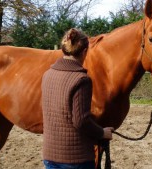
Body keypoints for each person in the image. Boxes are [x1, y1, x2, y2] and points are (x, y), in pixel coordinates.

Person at [41, 28, 113, 169]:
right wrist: (102, 133)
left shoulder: (47, 74)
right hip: (76, 159)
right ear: (85, 51)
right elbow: (81, 121)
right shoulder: (81, 79)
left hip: (50, 156)